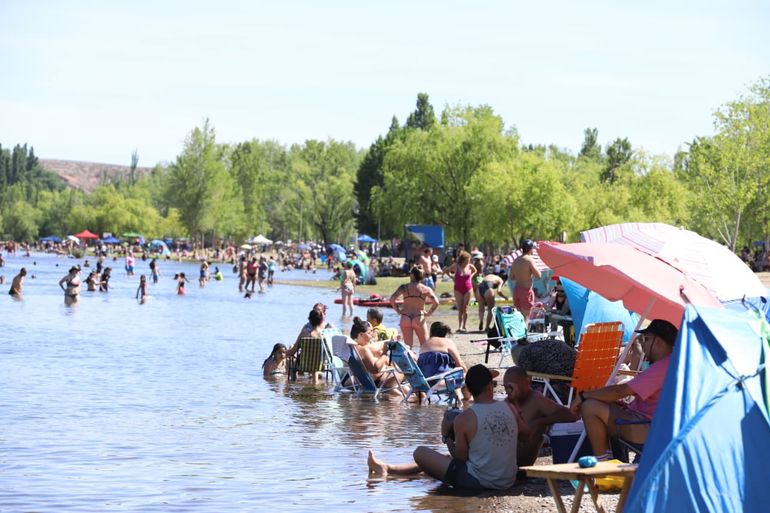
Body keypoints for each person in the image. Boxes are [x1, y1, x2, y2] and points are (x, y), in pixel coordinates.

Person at [367, 364, 529, 490]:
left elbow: (460, 460)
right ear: (489, 387)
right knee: (444, 459)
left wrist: (447, 435)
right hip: (507, 479)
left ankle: (390, 471)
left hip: (480, 482)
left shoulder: (465, 418)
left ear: (470, 390)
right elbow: (526, 436)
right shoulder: (510, 408)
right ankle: (389, 469)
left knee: (420, 453)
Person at [571, 319, 678, 461]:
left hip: (647, 429)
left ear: (658, 342)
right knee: (601, 403)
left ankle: (603, 466)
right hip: (657, 427)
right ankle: (614, 461)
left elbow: (620, 391)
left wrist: (583, 396)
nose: (643, 345)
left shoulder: (663, 367)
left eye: (645, 339)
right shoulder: (675, 361)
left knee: (590, 406)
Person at [503, 367, 578, 466]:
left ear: (527, 381)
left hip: (520, 463)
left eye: (511, 387)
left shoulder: (536, 399)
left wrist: (542, 421)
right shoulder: (507, 402)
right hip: (503, 462)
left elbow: (571, 416)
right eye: (506, 387)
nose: (509, 391)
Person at [389, 266, 439, 349]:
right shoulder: (425, 289)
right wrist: (429, 313)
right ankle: (422, 361)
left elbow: (392, 299)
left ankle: (410, 361)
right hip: (418, 317)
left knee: (408, 348)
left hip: (405, 317)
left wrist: (397, 310)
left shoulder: (404, 287)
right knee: (425, 345)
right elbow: (436, 302)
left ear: (412, 275)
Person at [349, 317, 404, 392]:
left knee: (401, 385)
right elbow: (376, 369)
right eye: (369, 333)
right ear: (361, 334)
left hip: (359, 379)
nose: (371, 336)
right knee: (404, 372)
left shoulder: (352, 347)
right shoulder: (364, 350)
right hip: (372, 382)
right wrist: (385, 352)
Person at [444, 250, 476, 332]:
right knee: (460, 308)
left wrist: (471, 277)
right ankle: (459, 326)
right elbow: (446, 270)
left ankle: (464, 326)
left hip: (468, 288)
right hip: (458, 289)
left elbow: (475, 271)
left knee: (465, 307)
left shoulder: (470, 266)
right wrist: (451, 277)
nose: (469, 261)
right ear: (463, 259)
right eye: (467, 259)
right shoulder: (456, 266)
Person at [511, 239, 541, 320]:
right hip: (526, 292)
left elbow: (511, 277)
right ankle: (524, 333)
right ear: (530, 249)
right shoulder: (529, 260)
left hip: (516, 291)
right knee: (526, 318)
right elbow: (538, 275)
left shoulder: (516, 260)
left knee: (518, 317)